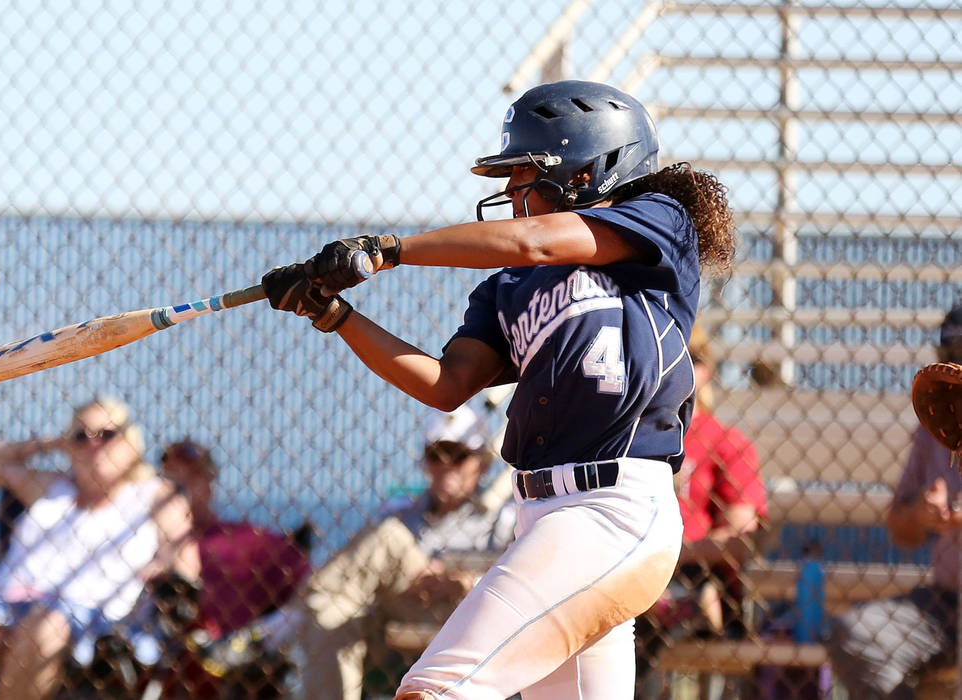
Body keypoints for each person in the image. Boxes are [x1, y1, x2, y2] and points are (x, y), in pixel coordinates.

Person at [259, 79, 737, 698]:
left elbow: (534, 241)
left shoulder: (657, 223)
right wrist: (335, 316)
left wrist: (387, 251)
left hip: (610, 512)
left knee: (436, 688)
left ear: (588, 171)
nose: (514, 199)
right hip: (540, 517)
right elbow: (445, 384)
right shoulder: (509, 287)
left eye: (526, 180)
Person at [202, 404, 516, 700]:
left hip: (464, 615)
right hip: (398, 610)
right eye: (436, 454)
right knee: (328, 610)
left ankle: (275, 628)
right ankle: (292, 622)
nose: (445, 465)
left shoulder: (500, 518)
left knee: (389, 537)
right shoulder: (403, 510)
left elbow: (520, 584)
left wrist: (465, 581)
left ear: (482, 463)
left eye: (457, 455)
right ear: (424, 460)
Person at [0, 397, 200, 700]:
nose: (94, 445)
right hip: (10, 601)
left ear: (130, 442)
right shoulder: (51, 487)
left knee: (43, 629)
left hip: (93, 616)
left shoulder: (155, 496)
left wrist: (154, 571)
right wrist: (50, 444)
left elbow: (185, 567)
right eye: (81, 436)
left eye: (107, 435)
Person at [828, 305, 962, 698]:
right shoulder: (939, 424)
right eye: (951, 351)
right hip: (947, 601)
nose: (955, 361)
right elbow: (901, 531)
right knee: (858, 637)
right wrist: (922, 514)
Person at [635, 322, 767, 694]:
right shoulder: (627, 433)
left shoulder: (725, 441)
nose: (675, 367)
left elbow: (739, 540)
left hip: (693, 571)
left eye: (690, 358)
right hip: (631, 561)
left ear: (706, 370)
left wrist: (670, 554)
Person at [154, 438, 312, 698]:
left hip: (232, 666)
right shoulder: (139, 543)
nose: (179, 491)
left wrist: (266, 632)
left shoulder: (247, 540)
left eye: (189, 481)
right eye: (171, 482)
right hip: (160, 665)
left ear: (209, 487)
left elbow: (312, 586)